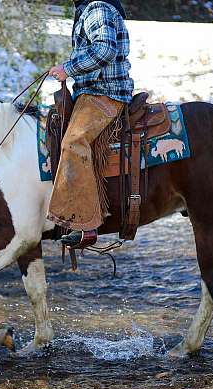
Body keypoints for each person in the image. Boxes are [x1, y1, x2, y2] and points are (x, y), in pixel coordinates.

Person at [47, 0, 134, 248]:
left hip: (104, 93)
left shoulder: (97, 7)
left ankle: (85, 225)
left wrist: (68, 68)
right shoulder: (88, 9)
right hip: (91, 92)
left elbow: (104, 49)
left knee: (75, 142)